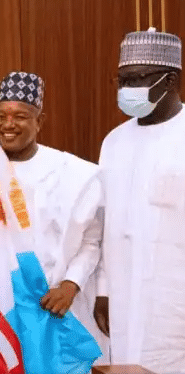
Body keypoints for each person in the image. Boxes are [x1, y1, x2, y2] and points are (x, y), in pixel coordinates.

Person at [0, 72, 109, 360]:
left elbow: (91, 242)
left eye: (20, 116)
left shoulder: (73, 173)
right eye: (0, 116)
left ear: (39, 121)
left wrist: (71, 285)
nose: (8, 125)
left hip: (55, 306)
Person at [95, 29, 184, 372]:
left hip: (174, 298)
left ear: (170, 80)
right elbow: (103, 222)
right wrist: (103, 289)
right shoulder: (114, 142)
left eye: (136, 80)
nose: (126, 91)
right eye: (121, 81)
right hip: (123, 294)